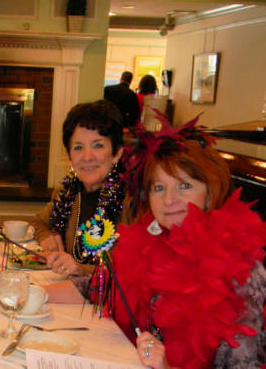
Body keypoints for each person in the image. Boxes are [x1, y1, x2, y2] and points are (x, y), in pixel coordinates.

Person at [112, 117, 266, 368]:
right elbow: (111, 288)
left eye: (184, 185)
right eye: (158, 188)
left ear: (210, 192)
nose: (169, 200)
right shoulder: (151, 240)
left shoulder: (242, 271)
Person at [31, 100, 126, 279]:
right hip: (70, 297)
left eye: (98, 145)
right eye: (78, 147)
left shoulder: (131, 201)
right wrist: (47, 236)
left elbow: (131, 272)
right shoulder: (67, 193)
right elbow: (38, 222)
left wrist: (82, 269)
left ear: (117, 153)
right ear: (68, 156)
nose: (87, 157)